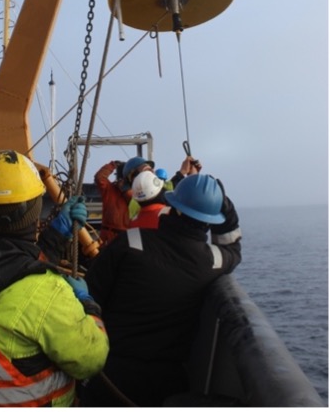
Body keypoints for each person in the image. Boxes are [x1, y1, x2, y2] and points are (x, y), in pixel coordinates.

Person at [0, 149, 109, 408]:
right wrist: (88, 305)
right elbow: (91, 359)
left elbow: (9, 268)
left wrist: (56, 235)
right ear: (34, 210)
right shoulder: (47, 292)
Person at [79, 172, 242, 407]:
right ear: (210, 221)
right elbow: (233, 248)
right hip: (166, 383)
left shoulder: (131, 241)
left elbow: (91, 294)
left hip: (110, 373)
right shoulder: (213, 262)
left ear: (173, 206)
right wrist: (224, 206)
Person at [94, 160, 132, 245]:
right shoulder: (110, 189)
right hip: (108, 236)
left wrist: (126, 191)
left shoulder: (138, 193)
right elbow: (99, 178)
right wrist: (112, 165)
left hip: (129, 236)